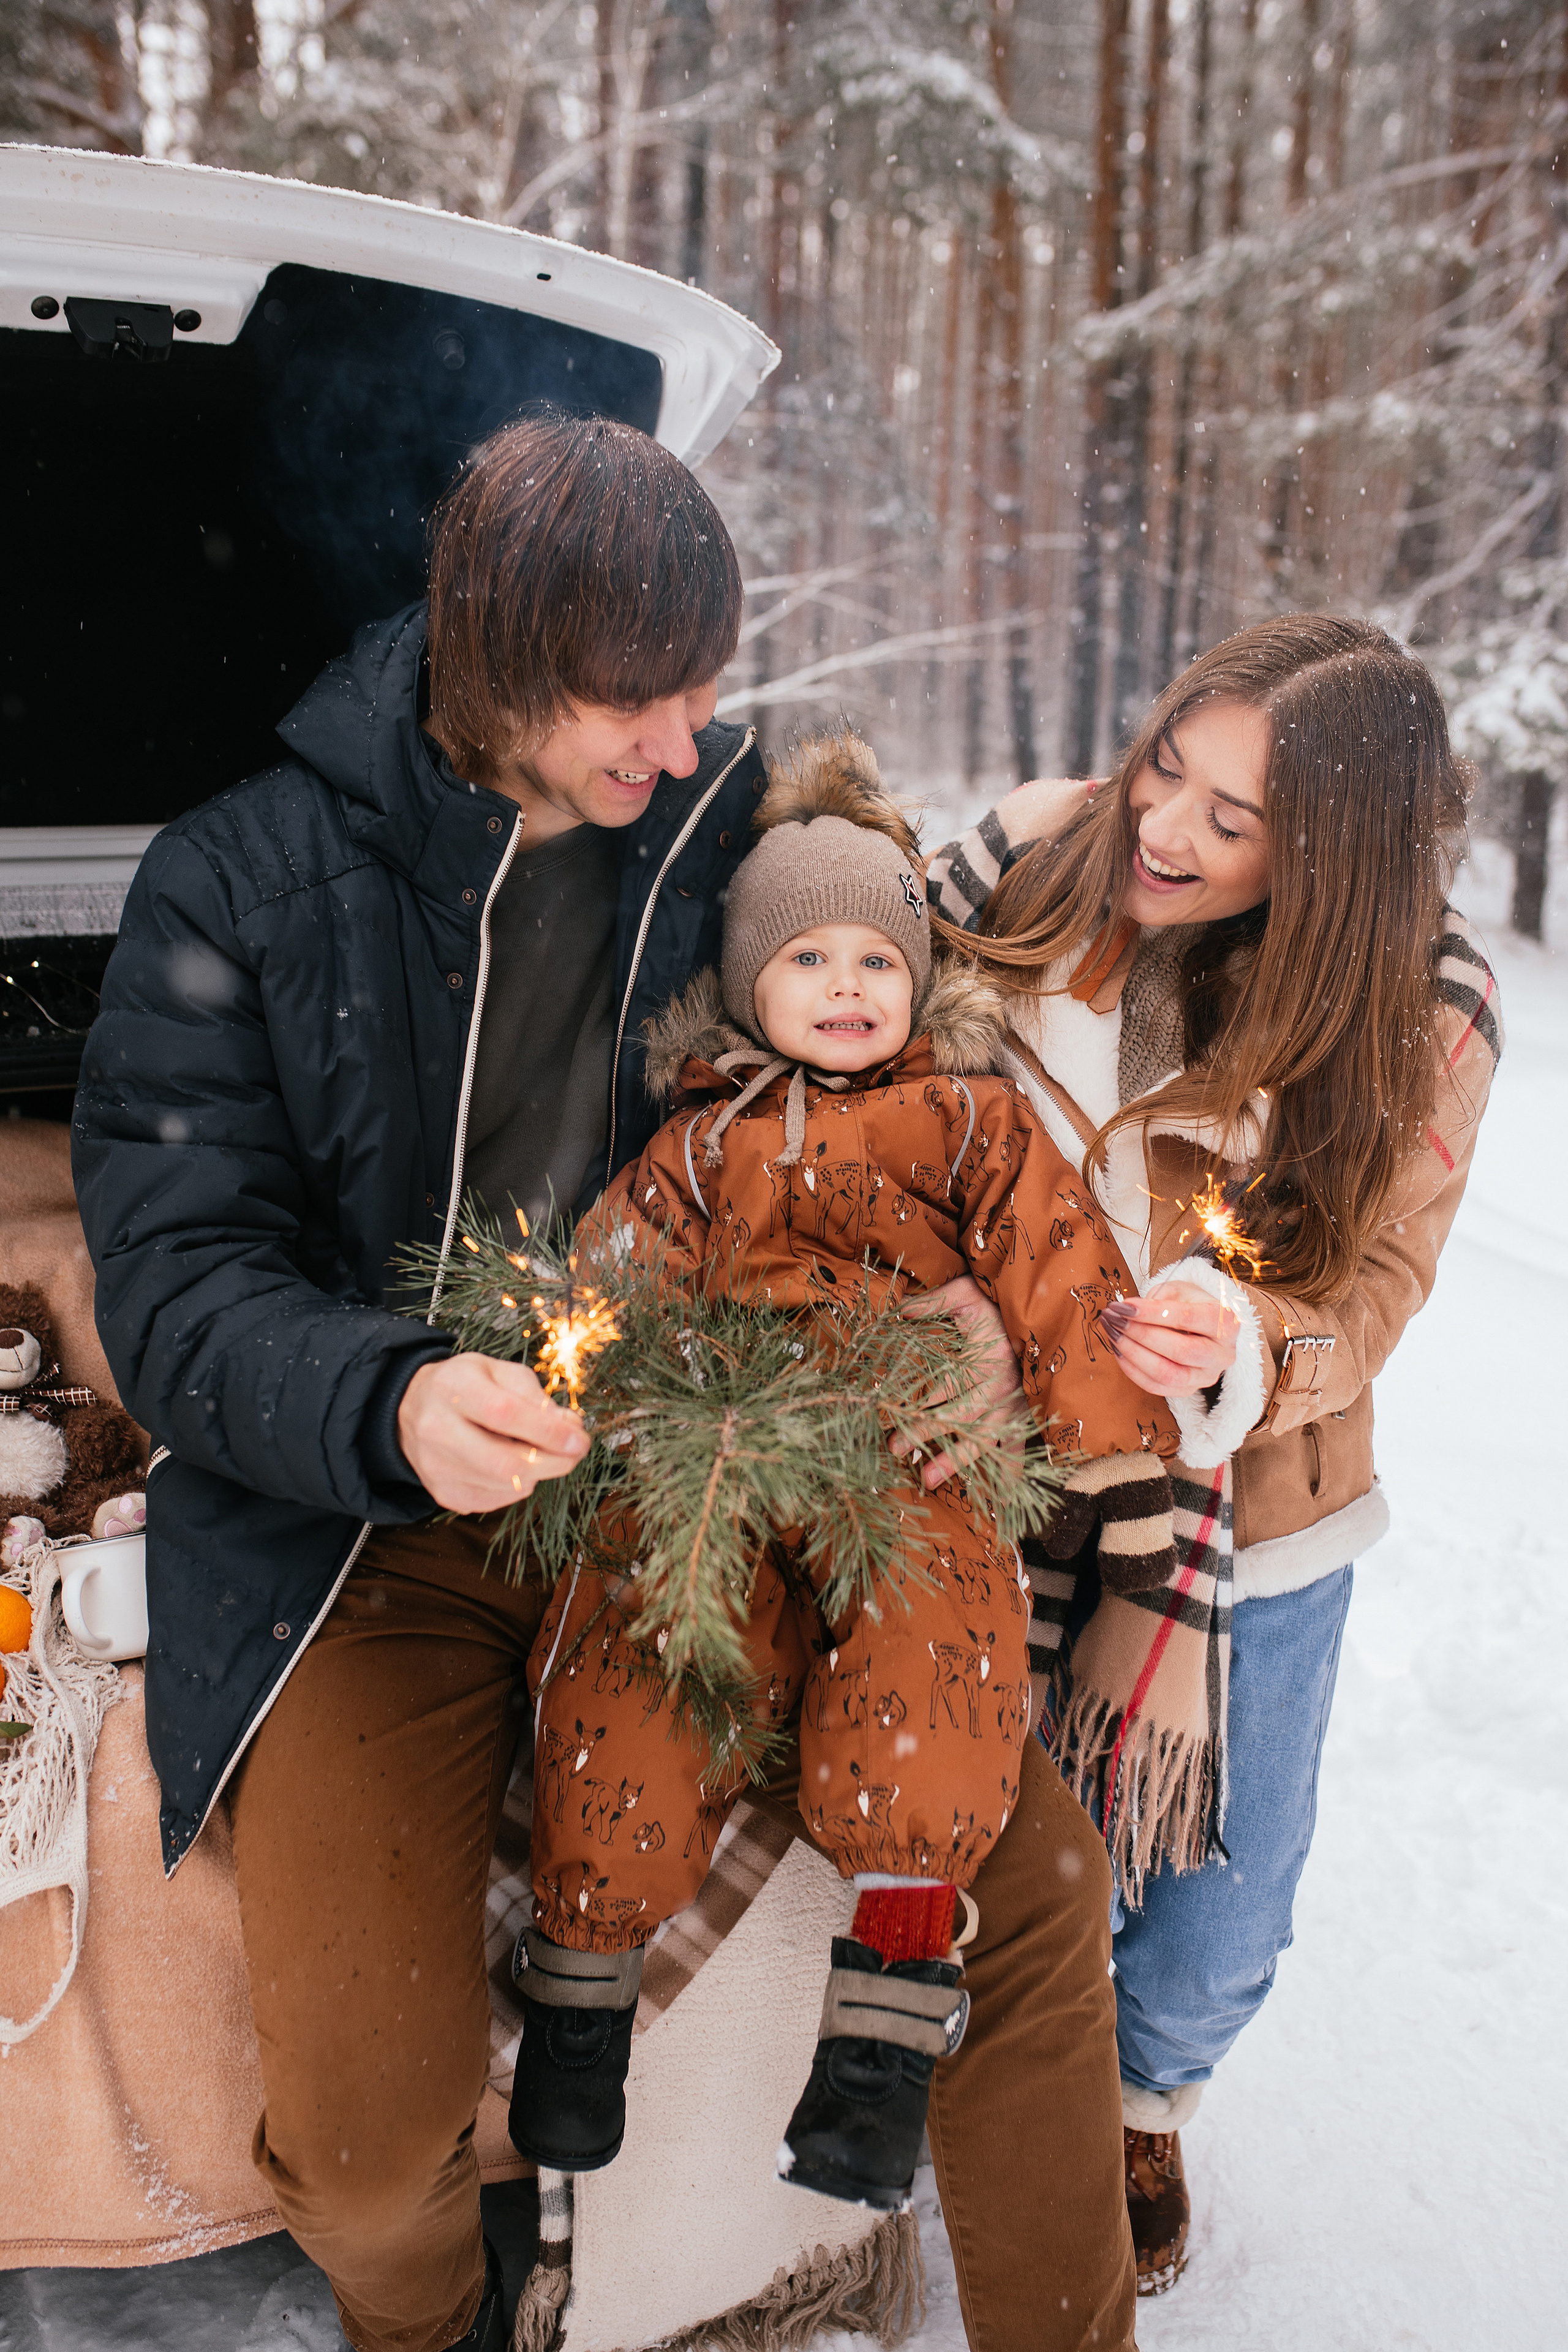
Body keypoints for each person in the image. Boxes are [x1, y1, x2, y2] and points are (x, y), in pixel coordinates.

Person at [72, 412, 1150, 2352]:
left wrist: (1001, 1313)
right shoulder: (240, 883)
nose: (685, 737)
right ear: (491, 660)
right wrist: (396, 1402)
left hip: (721, 1471)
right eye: (634, 700)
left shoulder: (719, 820)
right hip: (375, 1541)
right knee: (361, 2150)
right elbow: (177, 1284)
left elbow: (930, 1019)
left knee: (1044, 1888)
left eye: (704, 684)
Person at [513, 728, 1182, 2213]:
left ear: (918, 982)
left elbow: (1059, 1267)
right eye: (806, 958)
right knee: (640, 1647)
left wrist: (1112, 1458)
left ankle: (876, 2049)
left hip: (904, 1449)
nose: (845, 986)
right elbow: (605, 1281)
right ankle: (579, 1998)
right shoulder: (698, 1148)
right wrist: (563, 1388)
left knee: (937, 1656)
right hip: (720, 1444)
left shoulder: (971, 1120)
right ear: (747, 981)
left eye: (876, 960)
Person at [929, 612, 1501, 2295]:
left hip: (1252, 1497)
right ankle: (1007, 2068)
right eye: (1164, 768)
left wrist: (1250, 1341)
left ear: (1333, 861)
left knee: (1220, 1900)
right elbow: (840, 1001)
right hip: (1012, 1456)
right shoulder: (1037, 860)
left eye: (1231, 819)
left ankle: (1146, 2093)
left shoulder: (1421, 1008)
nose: (1163, 829)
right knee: (1014, 1833)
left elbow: (1377, 1283)